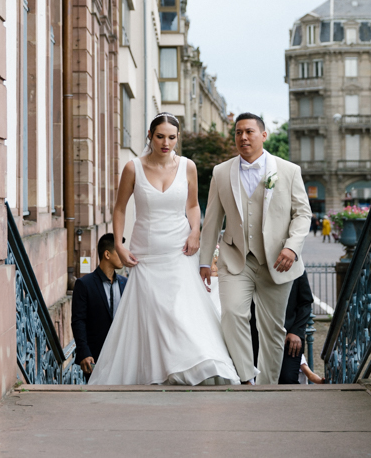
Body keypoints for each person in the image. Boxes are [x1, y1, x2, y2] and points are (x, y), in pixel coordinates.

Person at [88, 113, 239, 385]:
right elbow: (120, 209)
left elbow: (193, 206)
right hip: (145, 252)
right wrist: (120, 246)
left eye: (171, 137)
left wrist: (196, 231)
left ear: (177, 138)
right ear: (150, 135)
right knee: (154, 314)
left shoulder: (188, 166)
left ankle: (194, 365)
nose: (165, 142)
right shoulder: (132, 167)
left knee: (180, 310)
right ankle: (159, 372)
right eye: (160, 136)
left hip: (179, 249)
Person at [199, 112, 312, 385]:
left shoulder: (288, 171)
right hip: (236, 257)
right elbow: (212, 219)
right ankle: (246, 378)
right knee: (232, 314)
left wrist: (292, 248)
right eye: (238, 132)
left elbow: (303, 214)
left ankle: (268, 387)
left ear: (263, 135)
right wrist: (204, 261)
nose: (243, 137)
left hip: (277, 261)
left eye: (249, 131)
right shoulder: (221, 172)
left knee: (272, 329)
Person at [71, 233, 127, 380]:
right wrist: (84, 352)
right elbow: (78, 321)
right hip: (95, 358)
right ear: (107, 254)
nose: (123, 254)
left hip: (122, 357)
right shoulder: (84, 284)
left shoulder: (126, 283)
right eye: (119, 251)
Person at [249, 269, 314, 384]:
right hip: (255, 337)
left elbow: (305, 302)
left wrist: (296, 332)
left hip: (289, 338)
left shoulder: (297, 268)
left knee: (287, 379)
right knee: (254, 379)